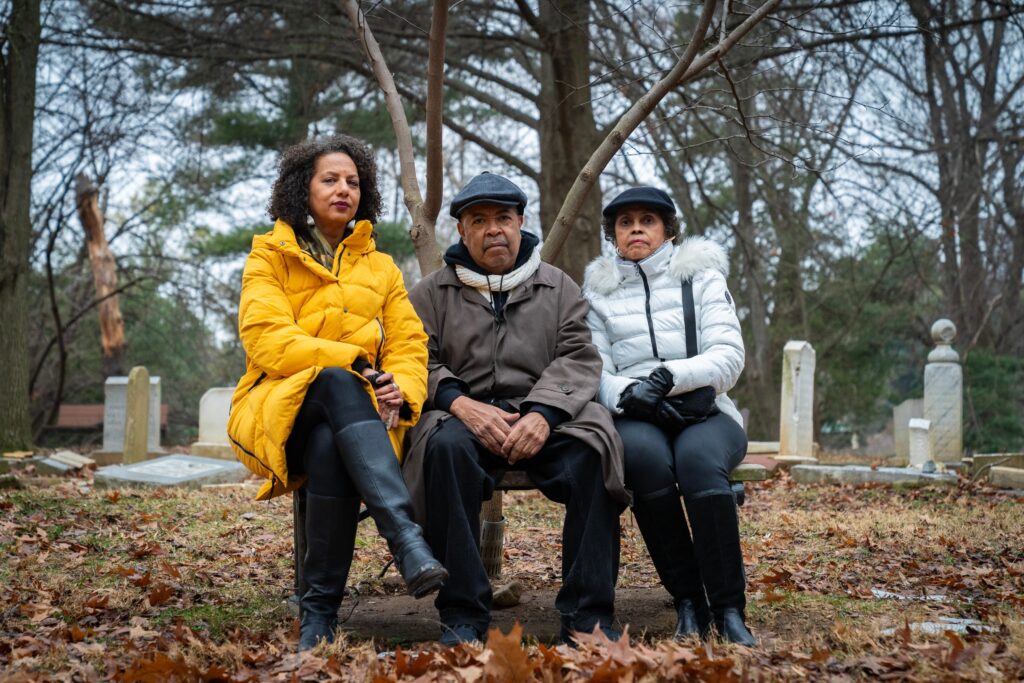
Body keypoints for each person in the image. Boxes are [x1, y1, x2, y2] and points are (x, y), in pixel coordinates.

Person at [227, 134, 447, 651]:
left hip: (363, 421)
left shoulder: (382, 267)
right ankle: (405, 537)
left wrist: (402, 388)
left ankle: (318, 615)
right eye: (330, 179)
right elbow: (266, 339)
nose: (343, 189)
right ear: (303, 188)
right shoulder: (269, 257)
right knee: (332, 379)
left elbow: (411, 341)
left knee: (331, 447)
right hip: (278, 408)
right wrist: (352, 362)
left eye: (353, 181)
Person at [402, 172, 631, 646]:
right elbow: (414, 358)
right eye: (479, 220)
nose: (493, 230)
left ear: (521, 222)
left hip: (547, 416)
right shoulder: (429, 293)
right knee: (442, 449)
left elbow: (578, 356)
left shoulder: (558, 286)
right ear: (461, 231)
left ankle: (587, 618)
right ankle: (463, 614)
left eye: (503, 218)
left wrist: (543, 413)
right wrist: (459, 403)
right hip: (460, 417)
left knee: (593, 451)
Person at [582, 186, 755, 646]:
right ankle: (688, 601)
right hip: (637, 412)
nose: (636, 228)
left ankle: (728, 608)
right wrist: (634, 394)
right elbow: (595, 369)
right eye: (625, 222)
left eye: (648, 220)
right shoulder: (598, 294)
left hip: (705, 409)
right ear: (613, 234)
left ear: (667, 230)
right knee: (645, 462)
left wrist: (667, 379)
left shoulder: (701, 278)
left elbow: (729, 357)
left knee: (700, 465)